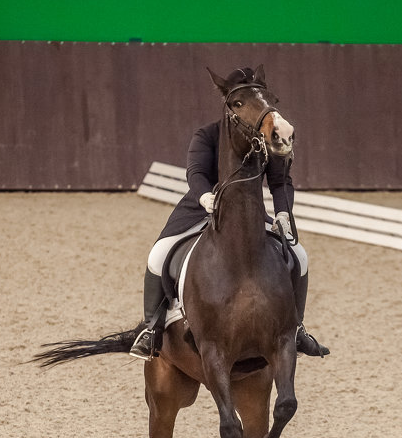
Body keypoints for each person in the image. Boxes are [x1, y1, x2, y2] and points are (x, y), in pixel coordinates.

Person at [129, 67, 329, 361]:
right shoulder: (207, 135)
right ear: (230, 109)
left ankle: (296, 327)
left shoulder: (264, 140)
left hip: (248, 215)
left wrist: (284, 213)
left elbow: (280, 181)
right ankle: (152, 329)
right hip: (201, 208)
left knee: (300, 255)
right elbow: (195, 172)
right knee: (158, 254)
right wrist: (204, 196)